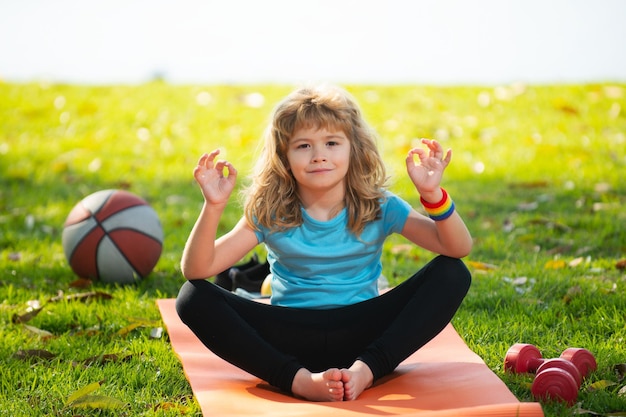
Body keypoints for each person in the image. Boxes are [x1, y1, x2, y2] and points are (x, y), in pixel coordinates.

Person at [176, 84, 473, 402]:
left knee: (453, 273)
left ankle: (367, 372)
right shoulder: (269, 210)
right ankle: (296, 380)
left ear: (353, 148)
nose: (319, 156)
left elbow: (457, 248)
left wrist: (432, 196)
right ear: (284, 156)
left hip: (365, 333)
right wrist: (213, 206)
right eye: (303, 146)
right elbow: (197, 269)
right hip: (289, 337)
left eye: (332, 143)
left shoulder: (380, 205)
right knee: (192, 297)